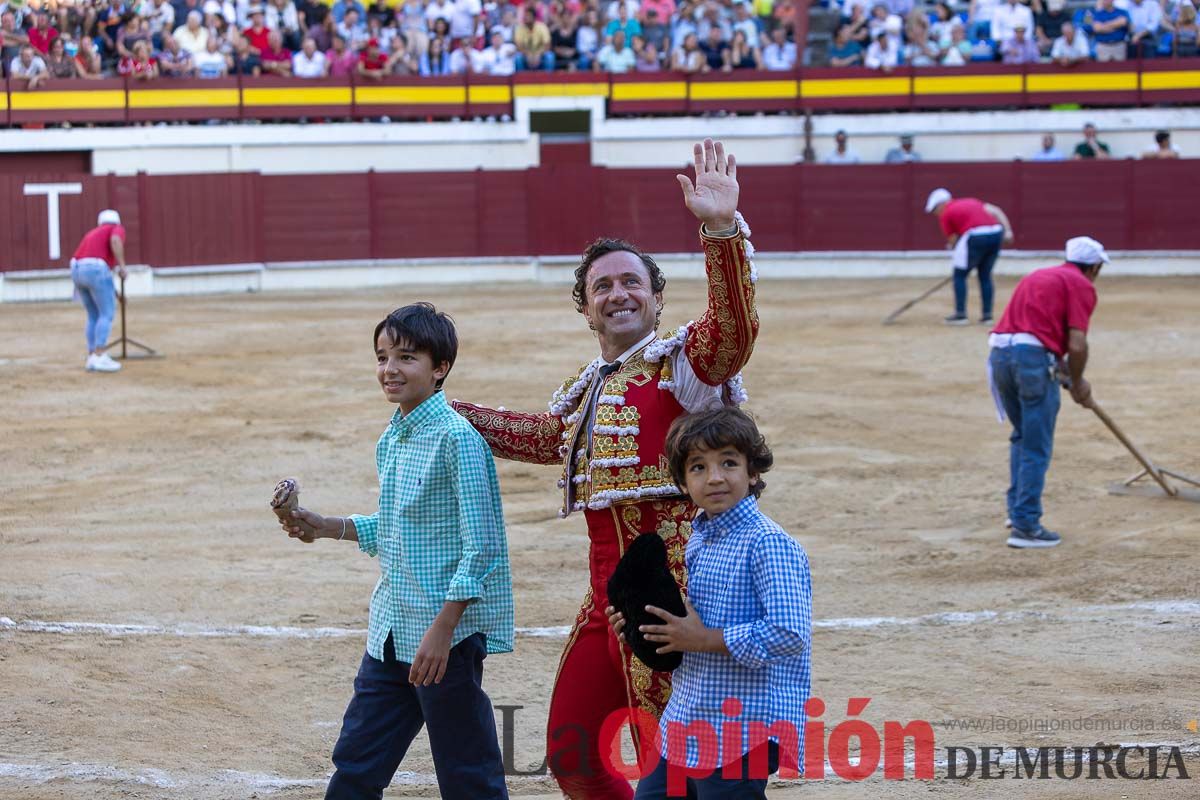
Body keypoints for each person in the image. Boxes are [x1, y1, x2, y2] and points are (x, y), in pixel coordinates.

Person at [451, 139, 758, 800]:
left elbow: (732, 330)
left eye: (630, 283)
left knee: (675, 766)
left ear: (654, 299)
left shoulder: (687, 368)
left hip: (684, 591)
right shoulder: (592, 385)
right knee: (574, 752)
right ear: (585, 307)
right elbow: (548, 438)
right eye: (603, 287)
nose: (618, 295)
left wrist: (720, 230)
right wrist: (449, 413)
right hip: (606, 596)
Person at [278, 302, 513, 800]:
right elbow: (399, 528)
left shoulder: (458, 440)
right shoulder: (394, 436)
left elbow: (483, 550)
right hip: (390, 631)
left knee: (468, 775)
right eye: (383, 357)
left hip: (441, 639)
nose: (390, 370)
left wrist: (444, 630)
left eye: (406, 358)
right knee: (357, 765)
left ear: (440, 368)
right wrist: (326, 527)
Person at [607, 407, 811, 798]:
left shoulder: (769, 543)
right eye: (698, 467)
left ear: (753, 472)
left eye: (729, 463)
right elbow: (691, 628)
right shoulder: (700, 539)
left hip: (742, 728)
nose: (715, 477)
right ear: (683, 482)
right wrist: (642, 630)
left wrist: (702, 639)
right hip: (688, 716)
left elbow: (788, 633)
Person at [987, 237, 1107, 548]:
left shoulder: (1038, 276)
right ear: (1093, 267)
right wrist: (1079, 381)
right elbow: (1077, 343)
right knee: (1036, 443)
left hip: (1000, 355)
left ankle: (1017, 512)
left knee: (1023, 435)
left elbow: (1034, 331)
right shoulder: (1081, 284)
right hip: (1032, 360)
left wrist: (1064, 370)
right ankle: (1026, 524)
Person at [925, 188, 1014, 325]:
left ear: (941, 204)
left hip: (975, 237)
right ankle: (987, 316)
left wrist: (955, 251)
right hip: (996, 233)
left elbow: (953, 239)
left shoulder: (946, 214)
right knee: (985, 275)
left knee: (959, 275)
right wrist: (1007, 230)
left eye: (934, 210)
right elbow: (996, 211)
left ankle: (961, 315)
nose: (935, 213)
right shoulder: (972, 201)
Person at [71, 209, 127, 373]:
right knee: (106, 314)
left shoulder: (93, 234)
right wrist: (123, 267)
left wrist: (115, 293)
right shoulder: (115, 228)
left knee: (93, 315)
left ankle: (92, 356)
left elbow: (98, 275)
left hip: (76, 269)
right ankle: (100, 355)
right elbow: (116, 241)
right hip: (95, 270)